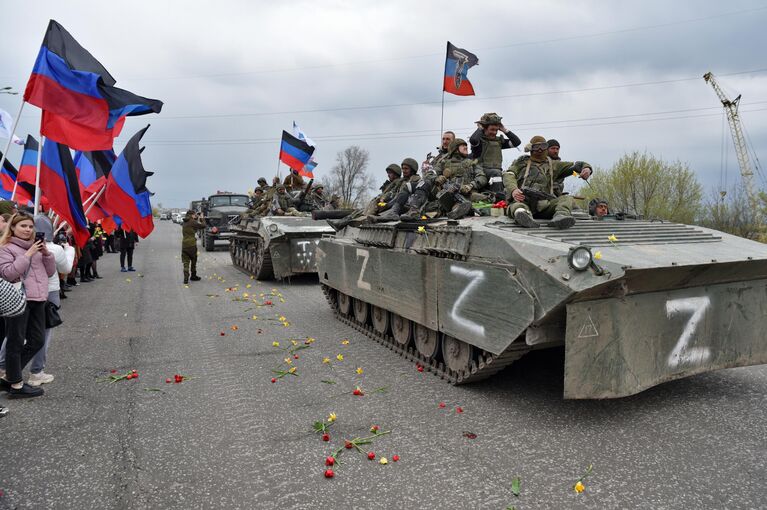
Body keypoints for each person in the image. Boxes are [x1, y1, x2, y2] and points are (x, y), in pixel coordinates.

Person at [0, 216, 75, 387]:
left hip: (39, 299)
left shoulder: (38, 247)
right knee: (16, 341)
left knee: (38, 340)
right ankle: (15, 381)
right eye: (23, 226)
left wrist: (46, 254)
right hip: (19, 300)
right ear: (12, 227)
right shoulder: (6, 248)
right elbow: (8, 273)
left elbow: (49, 273)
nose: (27, 229)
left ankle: (11, 374)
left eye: (30, 226)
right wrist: (28, 254)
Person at [504, 135, 593, 229]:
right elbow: (509, 174)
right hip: (524, 200)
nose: (539, 150)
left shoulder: (554, 165)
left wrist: (586, 168)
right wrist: (514, 190)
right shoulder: (521, 162)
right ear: (530, 148)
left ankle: (561, 216)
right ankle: (523, 216)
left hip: (545, 205)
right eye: (536, 147)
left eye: (543, 146)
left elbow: (577, 166)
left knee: (567, 199)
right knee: (516, 206)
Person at [469, 113, 522, 198]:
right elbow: (473, 140)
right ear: (484, 128)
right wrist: (480, 128)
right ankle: (498, 198)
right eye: (492, 129)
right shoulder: (479, 141)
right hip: (481, 170)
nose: (494, 132)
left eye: (496, 130)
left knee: (507, 176)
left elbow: (516, 142)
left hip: (497, 171)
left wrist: (505, 130)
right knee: (496, 173)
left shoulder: (498, 141)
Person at [181, 210, 205, 284]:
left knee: (186, 262)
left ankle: (185, 278)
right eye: (194, 215)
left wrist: (195, 218)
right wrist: (201, 218)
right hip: (192, 245)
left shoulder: (184, 222)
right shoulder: (193, 222)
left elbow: (192, 228)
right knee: (193, 260)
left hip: (184, 245)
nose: (195, 216)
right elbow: (203, 226)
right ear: (191, 215)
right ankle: (193, 276)